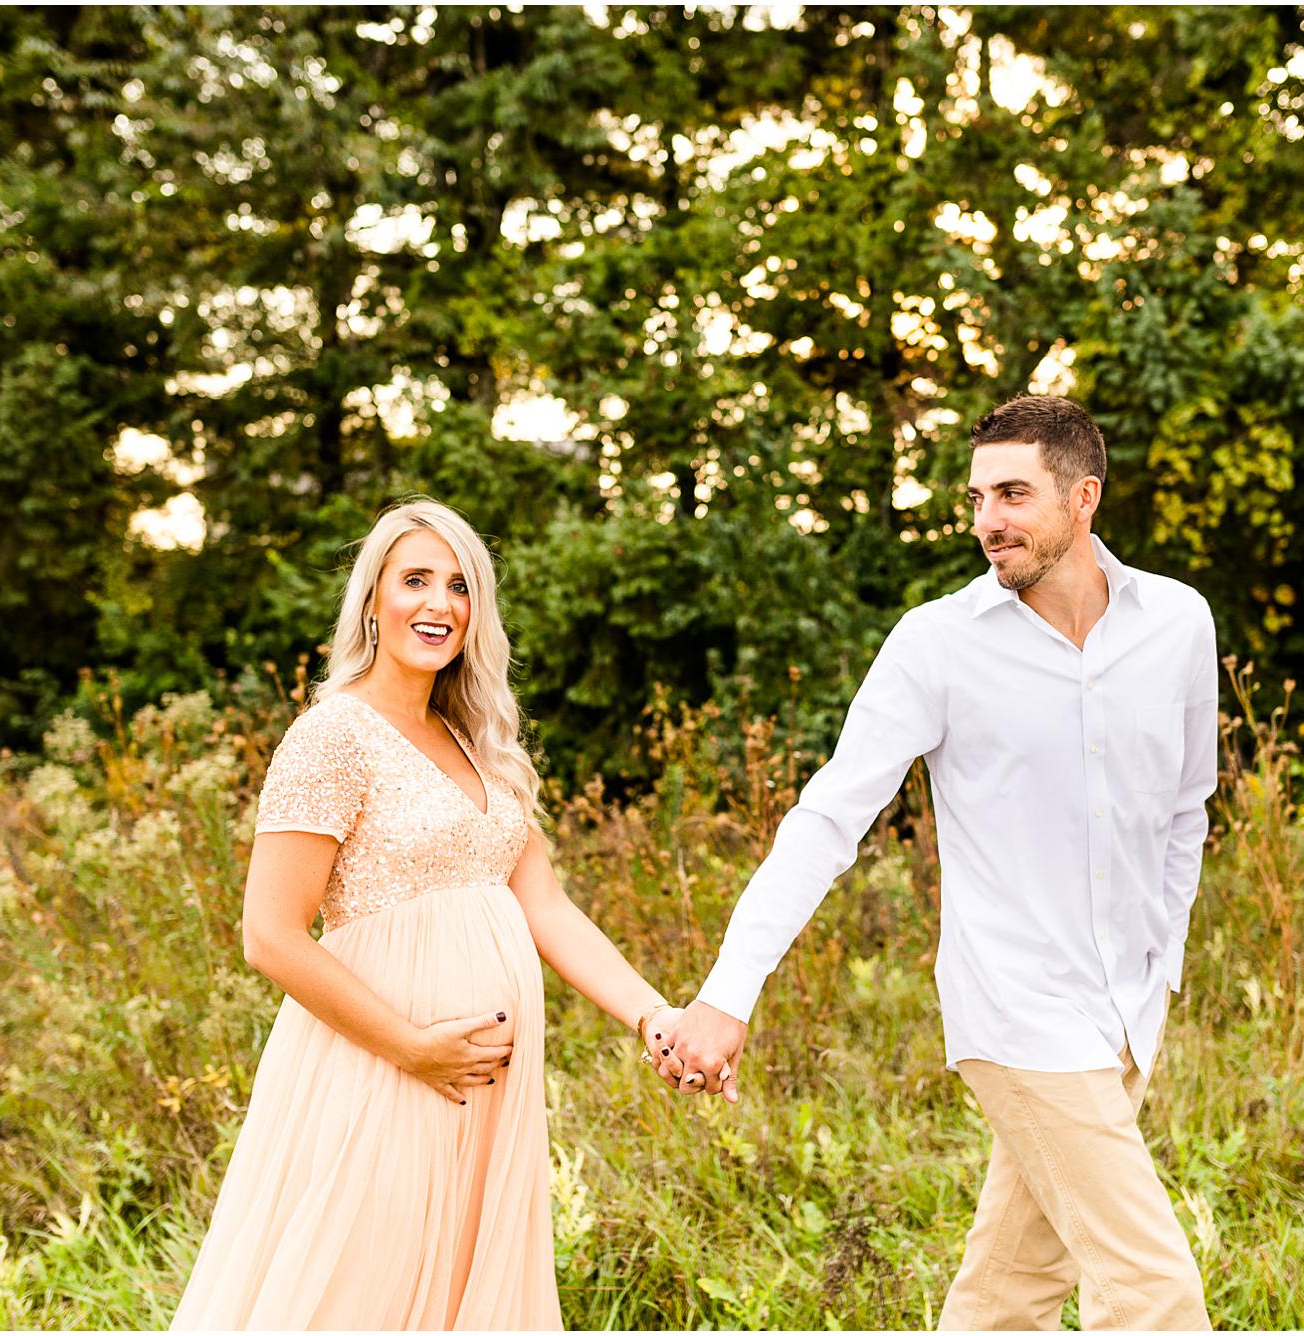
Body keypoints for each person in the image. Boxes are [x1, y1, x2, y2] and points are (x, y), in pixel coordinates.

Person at [655, 394, 1220, 1330]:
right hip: (1019, 1011)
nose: (988, 521)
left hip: (1128, 1004)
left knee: (1012, 1289)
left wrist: (1165, 958)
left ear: (1084, 498)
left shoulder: (1178, 624)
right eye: (976, 497)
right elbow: (828, 817)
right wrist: (727, 991)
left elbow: (1185, 808)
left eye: (1013, 494)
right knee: (1155, 1290)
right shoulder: (938, 643)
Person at [170, 499, 684, 1330]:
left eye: (458, 586)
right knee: (360, 1291)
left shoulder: (480, 743)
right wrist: (411, 1048)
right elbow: (269, 935)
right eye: (415, 580)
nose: (438, 604)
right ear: (372, 600)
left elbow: (546, 907)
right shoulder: (332, 735)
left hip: (484, 1087)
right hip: (382, 1066)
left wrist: (652, 1015)